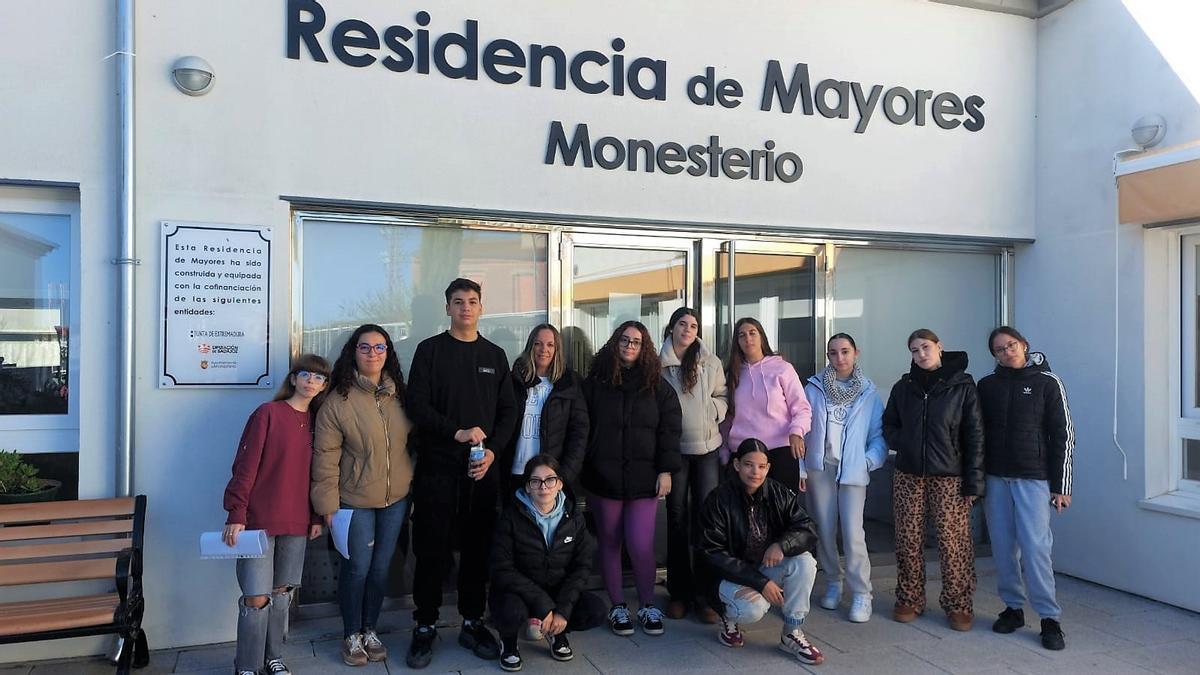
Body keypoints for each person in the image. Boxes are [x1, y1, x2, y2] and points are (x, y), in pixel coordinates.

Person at [405, 278, 519, 668]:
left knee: (477, 550)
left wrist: (493, 453)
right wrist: (454, 432)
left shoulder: (495, 354)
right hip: (437, 469)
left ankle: (472, 621)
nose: (465, 308)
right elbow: (416, 405)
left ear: (481, 307)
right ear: (447, 307)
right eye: (458, 302)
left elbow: (508, 413)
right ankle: (425, 624)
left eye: (472, 301)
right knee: (431, 549)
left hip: (481, 472)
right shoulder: (430, 351)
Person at [311, 325, 415, 666]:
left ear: (388, 352)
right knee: (357, 569)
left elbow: (414, 442)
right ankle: (351, 634)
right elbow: (325, 456)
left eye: (380, 347)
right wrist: (325, 504)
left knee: (381, 569)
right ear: (353, 352)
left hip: (395, 500)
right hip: (354, 501)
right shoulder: (336, 401)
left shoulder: (399, 394)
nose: (373, 354)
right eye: (365, 347)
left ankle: (370, 629)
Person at [223, 354, 330, 675]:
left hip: (298, 522)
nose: (312, 381)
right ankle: (247, 666)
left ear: (325, 385)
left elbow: (317, 476)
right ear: (294, 378)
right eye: (306, 375)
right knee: (256, 597)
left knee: (281, 594)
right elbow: (245, 466)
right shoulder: (267, 414)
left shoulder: (319, 423)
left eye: (320, 378)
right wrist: (236, 512)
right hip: (257, 521)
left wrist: (315, 517)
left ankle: (274, 658)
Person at [581, 320, 682, 637]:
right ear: (615, 343)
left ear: (644, 348)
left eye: (636, 341)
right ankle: (617, 606)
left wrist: (666, 469)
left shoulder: (657, 385)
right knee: (609, 543)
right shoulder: (595, 383)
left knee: (640, 545)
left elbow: (670, 430)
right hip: (604, 478)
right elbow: (583, 428)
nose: (629, 345)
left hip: (644, 480)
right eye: (624, 340)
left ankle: (648, 604)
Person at [978, 326, 1074, 651]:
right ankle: (1013, 609)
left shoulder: (1048, 382)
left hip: (1034, 478)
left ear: (1024, 345)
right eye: (999, 349)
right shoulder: (987, 386)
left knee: (1035, 549)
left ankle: (1049, 618)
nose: (1007, 352)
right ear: (994, 355)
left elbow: (1063, 436)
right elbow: (976, 436)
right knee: (1003, 547)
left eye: (1011, 345)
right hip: (996, 478)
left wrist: (1062, 485)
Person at [882, 328, 984, 631]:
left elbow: (975, 436)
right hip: (909, 473)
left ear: (939, 347)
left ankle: (958, 604)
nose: (921, 354)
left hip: (949, 476)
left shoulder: (963, 386)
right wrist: (906, 441)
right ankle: (910, 598)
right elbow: (889, 424)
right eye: (914, 350)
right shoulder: (905, 387)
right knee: (908, 539)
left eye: (925, 347)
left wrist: (974, 482)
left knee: (953, 542)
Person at [699, 438, 824, 666]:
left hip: (763, 568)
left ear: (768, 468)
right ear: (736, 465)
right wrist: (760, 582)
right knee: (752, 609)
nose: (755, 472)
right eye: (748, 464)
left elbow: (807, 527)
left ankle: (792, 633)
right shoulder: (719, 499)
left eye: (761, 466)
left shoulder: (777, 492)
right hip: (728, 577)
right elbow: (712, 554)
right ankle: (728, 618)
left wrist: (782, 545)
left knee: (805, 562)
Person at [491, 454, 607, 671]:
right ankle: (508, 642)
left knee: (595, 610)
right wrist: (544, 606)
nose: (543, 487)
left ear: (560, 484)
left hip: (557, 588)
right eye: (535, 481)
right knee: (509, 612)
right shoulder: (511, 517)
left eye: (550, 480)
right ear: (527, 487)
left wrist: (561, 610)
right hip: (521, 592)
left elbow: (582, 566)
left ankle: (557, 632)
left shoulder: (573, 517)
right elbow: (502, 568)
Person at [803, 333, 887, 623]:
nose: (839, 358)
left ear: (855, 353)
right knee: (825, 530)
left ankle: (862, 593)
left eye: (845, 352)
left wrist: (867, 461)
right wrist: (803, 467)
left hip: (852, 471)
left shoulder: (868, 392)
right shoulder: (814, 388)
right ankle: (833, 583)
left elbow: (879, 437)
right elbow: (802, 429)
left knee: (853, 534)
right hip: (821, 469)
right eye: (833, 353)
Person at [659, 307, 727, 623]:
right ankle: (679, 592)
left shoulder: (710, 361)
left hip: (708, 450)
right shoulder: (658, 365)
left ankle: (706, 595)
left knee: (707, 519)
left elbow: (723, 396)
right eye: (682, 324)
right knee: (676, 519)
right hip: (675, 451)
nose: (688, 329)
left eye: (693, 325)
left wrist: (711, 411)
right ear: (671, 328)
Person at [724, 317, 812, 493]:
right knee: (746, 514)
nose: (748, 338)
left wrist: (797, 431)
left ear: (761, 337)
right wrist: (724, 449)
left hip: (780, 451)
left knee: (781, 513)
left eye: (752, 333)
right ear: (737, 342)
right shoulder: (732, 373)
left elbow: (802, 408)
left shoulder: (783, 368)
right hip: (743, 453)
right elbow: (727, 416)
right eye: (742, 335)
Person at [501, 324, 589, 497]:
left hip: (549, 479)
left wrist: (563, 476)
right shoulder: (514, 381)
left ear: (557, 349)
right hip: (515, 474)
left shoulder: (569, 384)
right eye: (538, 343)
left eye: (550, 345)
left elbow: (579, 433)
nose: (543, 349)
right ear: (530, 346)